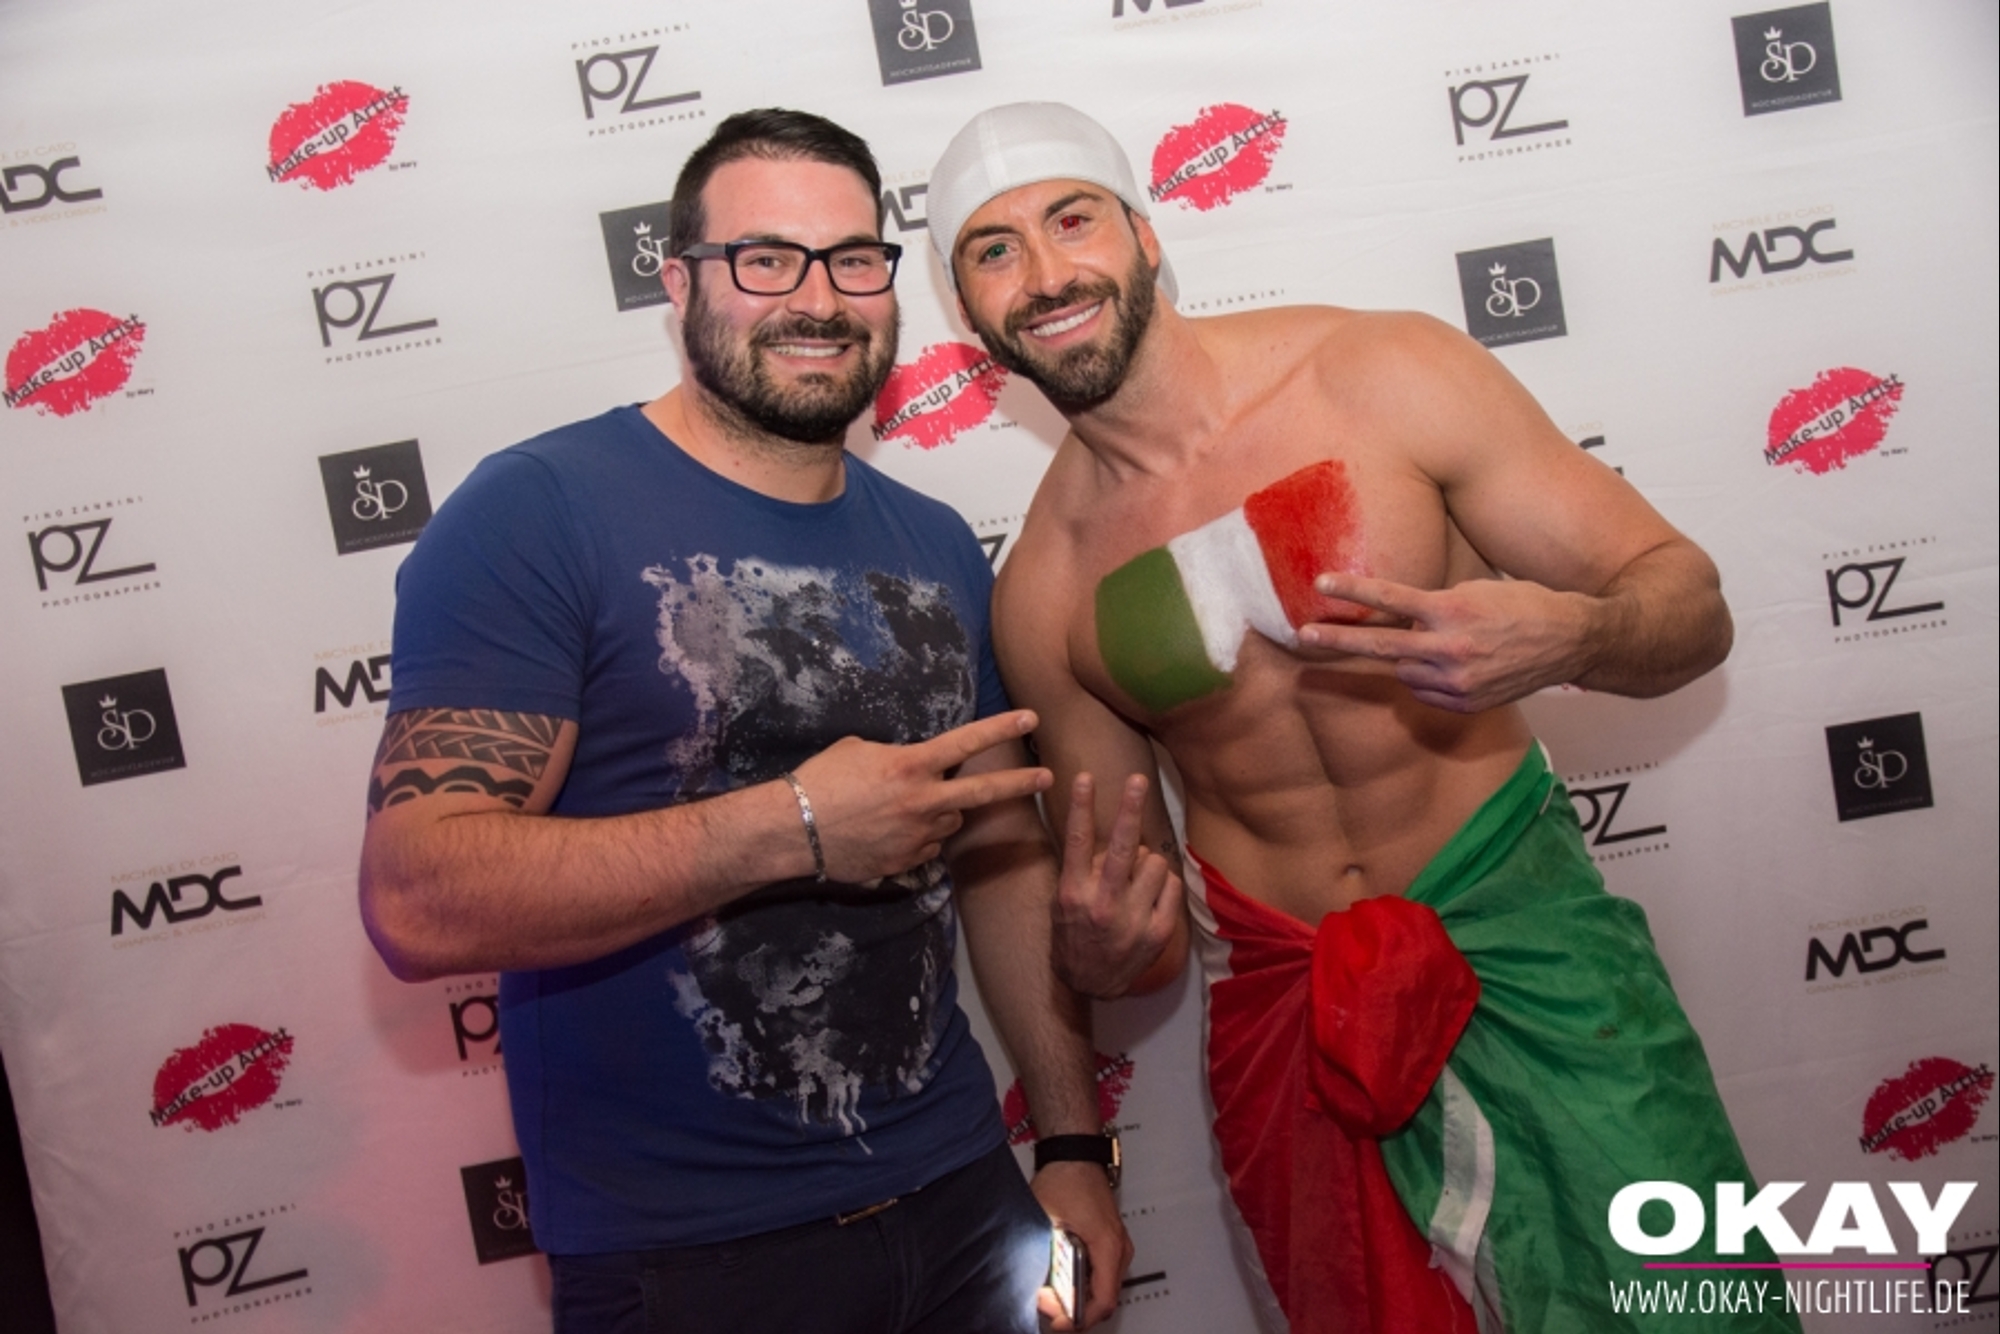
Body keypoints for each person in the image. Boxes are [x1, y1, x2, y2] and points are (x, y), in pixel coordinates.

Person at [927, 103, 1802, 1334]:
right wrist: (1104, 949)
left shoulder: (1381, 374)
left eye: (1070, 221)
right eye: (993, 249)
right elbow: (1140, 936)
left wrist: (1573, 634)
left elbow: (1688, 608)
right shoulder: (1045, 588)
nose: (1045, 271)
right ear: (967, 312)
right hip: (1286, 1018)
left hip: (1527, 947)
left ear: (1144, 232)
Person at [358, 108, 1134, 1334]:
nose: (816, 299)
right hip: (686, 1258)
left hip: (963, 1202)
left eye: (852, 260)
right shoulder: (537, 509)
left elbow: (999, 858)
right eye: (766, 259)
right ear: (680, 284)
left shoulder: (935, 543)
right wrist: (800, 825)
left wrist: (1074, 1143)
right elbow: (419, 895)